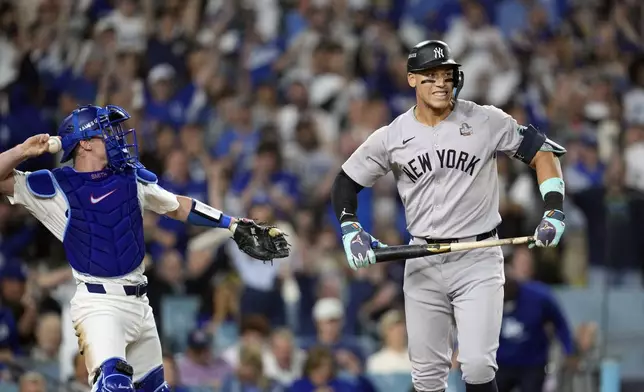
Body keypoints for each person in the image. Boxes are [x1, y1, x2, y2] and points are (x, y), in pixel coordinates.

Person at [330, 40, 567, 392]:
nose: (441, 83)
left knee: (476, 366)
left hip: (478, 256)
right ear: (412, 80)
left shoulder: (485, 119)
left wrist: (554, 211)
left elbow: (543, 154)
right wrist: (351, 228)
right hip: (422, 257)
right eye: (431, 76)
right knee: (426, 378)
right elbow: (345, 183)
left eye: (446, 75)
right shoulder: (393, 135)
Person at [0, 104, 289, 392]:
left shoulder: (129, 176)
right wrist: (23, 151)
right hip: (99, 305)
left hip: (140, 302)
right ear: (84, 143)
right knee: (113, 386)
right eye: (106, 132)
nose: (116, 138)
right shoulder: (55, 186)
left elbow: (177, 206)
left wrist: (231, 224)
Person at [495, 272, 575, 392]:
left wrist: (568, 350)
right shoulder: (490, 298)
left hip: (532, 363)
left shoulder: (539, 297)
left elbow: (560, 323)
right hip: (501, 363)